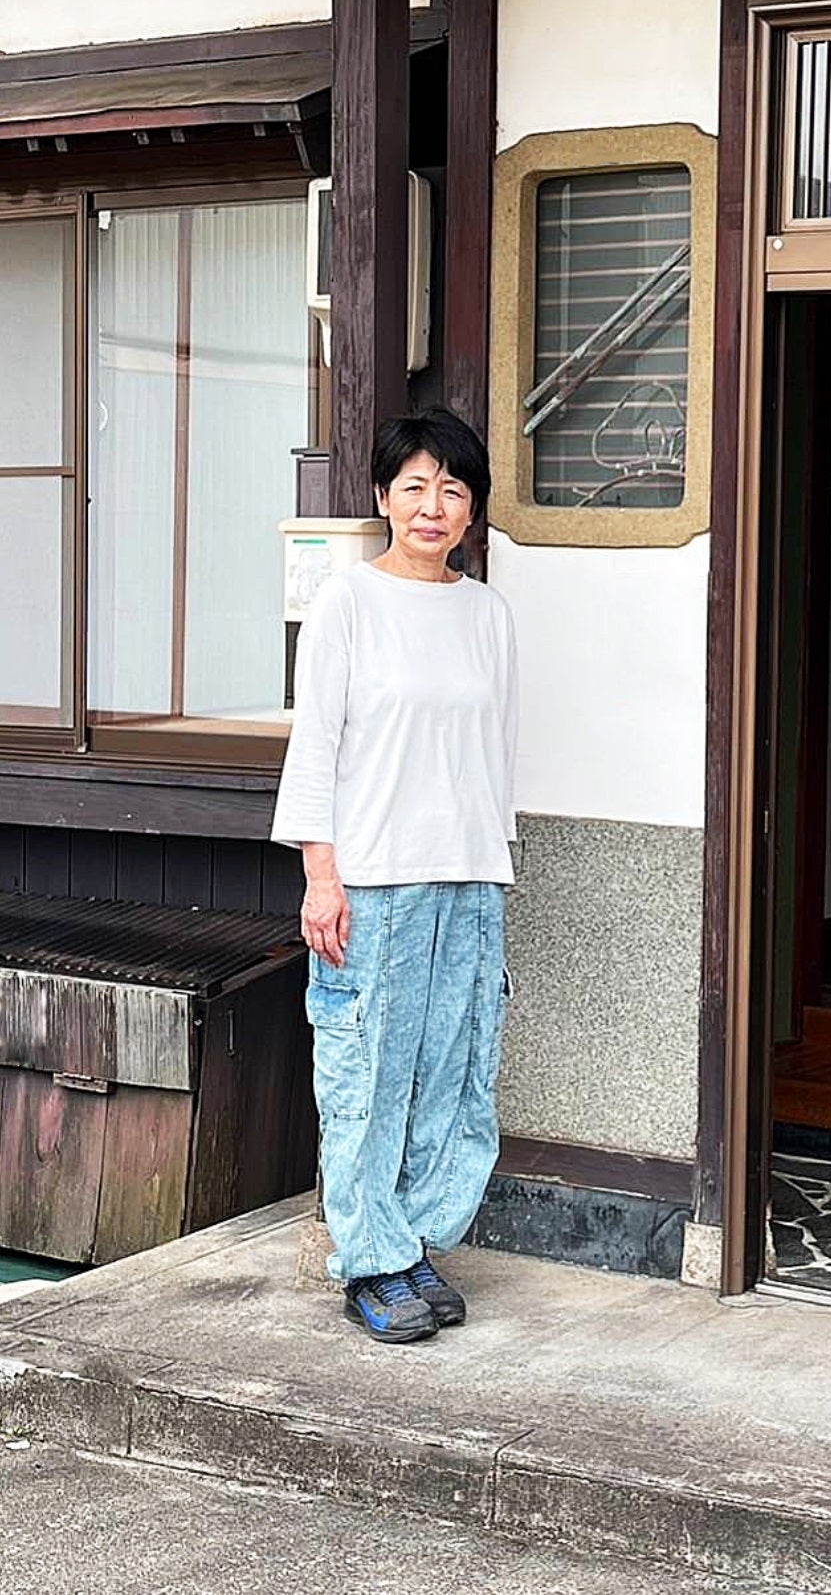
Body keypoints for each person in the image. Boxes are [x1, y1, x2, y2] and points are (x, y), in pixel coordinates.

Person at [271, 407, 518, 1344]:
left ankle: (412, 1241)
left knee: (452, 1074)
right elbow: (315, 745)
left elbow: (497, 751)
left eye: (452, 489)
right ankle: (368, 1260)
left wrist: (493, 868)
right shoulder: (348, 603)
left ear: (471, 510)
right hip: (372, 879)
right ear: (383, 497)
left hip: (468, 877)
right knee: (366, 1075)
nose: (431, 506)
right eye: (414, 486)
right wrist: (320, 876)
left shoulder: (487, 613)